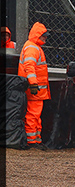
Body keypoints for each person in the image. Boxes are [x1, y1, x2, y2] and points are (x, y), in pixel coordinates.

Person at [18, 22, 50, 150]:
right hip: (35, 90)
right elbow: (29, 67)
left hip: (35, 89)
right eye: (43, 36)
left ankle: (35, 140)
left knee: (35, 115)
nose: (45, 38)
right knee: (33, 115)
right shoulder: (33, 48)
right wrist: (33, 84)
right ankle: (32, 141)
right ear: (37, 35)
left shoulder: (33, 47)